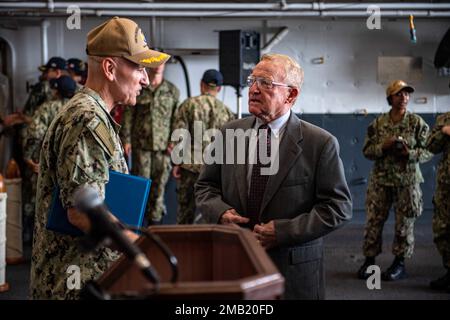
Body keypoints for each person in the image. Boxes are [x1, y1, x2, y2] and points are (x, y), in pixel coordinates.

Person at [29, 16, 170, 299]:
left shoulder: (92, 114)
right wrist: (141, 249)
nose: (145, 78)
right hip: (74, 284)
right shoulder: (87, 119)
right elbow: (81, 212)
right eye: (139, 68)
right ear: (109, 68)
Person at [195, 54, 352, 299]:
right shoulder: (229, 133)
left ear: (291, 95)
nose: (254, 89)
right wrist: (220, 212)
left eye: (265, 83)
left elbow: (338, 207)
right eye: (252, 80)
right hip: (235, 262)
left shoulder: (320, 143)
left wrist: (284, 231)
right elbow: (205, 187)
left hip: (293, 270)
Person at [357, 80, 433, 281]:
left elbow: (429, 151)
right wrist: (384, 146)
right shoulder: (378, 124)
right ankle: (369, 261)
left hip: (407, 182)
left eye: (407, 94)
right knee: (373, 221)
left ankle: (399, 263)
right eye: (399, 94)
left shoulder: (417, 123)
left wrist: (411, 153)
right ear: (390, 98)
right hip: (381, 180)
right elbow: (367, 151)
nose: (404, 98)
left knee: (404, 224)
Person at [172, 69, 234, 225]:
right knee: (213, 215)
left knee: (185, 214)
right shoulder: (227, 112)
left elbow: (180, 137)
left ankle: (183, 248)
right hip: (214, 172)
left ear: (201, 84)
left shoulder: (188, 105)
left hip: (190, 168)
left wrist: (177, 163)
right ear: (219, 88)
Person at [121, 62, 179, 224]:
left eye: (162, 63)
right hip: (141, 146)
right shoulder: (139, 88)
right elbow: (128, 115)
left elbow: (176, 118)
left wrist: (174, 142)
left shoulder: (172, 90)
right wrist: (126, 139)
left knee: (159, 189)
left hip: (163, 148)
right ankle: (137, 226)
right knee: (140, 188)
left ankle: (155, 226)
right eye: (155, 63)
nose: (159, 66)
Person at [22, 76, 77, 240]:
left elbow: (34, 135)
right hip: (71, 165)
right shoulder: (79, 108)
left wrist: (28, 159)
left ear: (56, 91)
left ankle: (31, 236)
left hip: (46, 163)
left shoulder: (47, 108)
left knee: (39, 200)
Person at [426, 110, 450, 292]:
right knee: (442, 230)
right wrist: (444, 131)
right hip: (446, 187)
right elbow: (431, 147)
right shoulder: (445, 118)